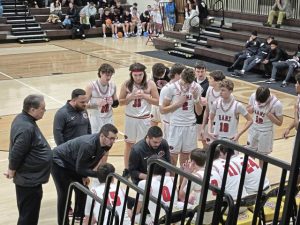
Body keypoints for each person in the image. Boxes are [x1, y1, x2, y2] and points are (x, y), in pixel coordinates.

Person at [51, 123, 118, 225]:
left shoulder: (107, 144)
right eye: (111, 138)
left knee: (83, 190)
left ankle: (79, 215)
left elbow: (94, 160)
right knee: (64, 194)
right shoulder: (89, 145)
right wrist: (99, 175)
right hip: (58, 162)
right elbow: (80, 169)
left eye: (115, 138)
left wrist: (85, 175)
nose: (113, 141)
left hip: (73, 163)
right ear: (102, 136)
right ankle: (63, 222)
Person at [4, 94, 52, 225]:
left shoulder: (24, 120)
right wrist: (12, 169)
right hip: (28, 181)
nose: (44, 111)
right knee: (28, 217)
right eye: (43, 108)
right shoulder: (26, 127)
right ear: (32, 109)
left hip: (31, 179)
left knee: (28, 214)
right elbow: (17, 152)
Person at [119, 63, 159, 178]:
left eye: (140, 75)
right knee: (129, 144)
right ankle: (127, 169)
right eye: (135, 75)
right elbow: (120, 102)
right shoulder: (126, 84)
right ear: (131, 74)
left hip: (144, 119)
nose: (137, 77)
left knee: (145, 145)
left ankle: (143, 169)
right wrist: (131, 97)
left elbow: (157, 101)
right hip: (130, 118)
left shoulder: (150, 84)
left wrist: (145, 96)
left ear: (144, 73)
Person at [161, 68, 203, 168]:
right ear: (181, 77)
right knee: (172, 158)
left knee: (185, 160)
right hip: (176, 125)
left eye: (189, 84)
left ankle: (182, 184)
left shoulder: (197, 87)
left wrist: (197, 99)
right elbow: (162, 110)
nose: (187, 86)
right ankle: (171, 182)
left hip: (190, 126)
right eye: (184, 83)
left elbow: (199, 112)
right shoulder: (171, 88)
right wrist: (178, 104)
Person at [132, 155, 176, 224]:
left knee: (132, 214)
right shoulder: (172, 179)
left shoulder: (144, 183)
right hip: (174, 218)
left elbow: (137, 208)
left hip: (159, 221)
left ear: (148, 168)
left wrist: (132, 212)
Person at [247, 87, 283, 167]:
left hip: (265, 133)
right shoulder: (253, 96)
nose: (259, 103)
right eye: (258, 100)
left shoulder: (276, 104)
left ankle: (261, 176)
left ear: (267, 97)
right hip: (253, 129)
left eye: (261, 101)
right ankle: (249, 173)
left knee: (262, 157)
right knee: (250, 153)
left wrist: (270, 115)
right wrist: (251, 108)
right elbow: (248, 110)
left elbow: (280, 123)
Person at [85, 63, 118, 135]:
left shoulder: (113, 85)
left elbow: (116, 104)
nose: (109, 78)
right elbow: (83, 105)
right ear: (101, 73)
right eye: (107, 75)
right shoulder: (91, 86)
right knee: (95, 142)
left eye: (110, 75)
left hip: (109, 118)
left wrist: (112, 103)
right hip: (95, 119)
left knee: (109, 141)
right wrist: (96, 104)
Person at [159, 63, 186, 140]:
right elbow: (162, 110)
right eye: (183, 74)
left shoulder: (184, 87)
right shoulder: (166, 89)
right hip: (169, 125)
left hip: (181, 124)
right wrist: (178, 104)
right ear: (177, 74)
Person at [200, 70, 226, 146]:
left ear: (217, 81)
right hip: (210, 123)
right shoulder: (209, 89)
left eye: (211, 78)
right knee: (206, 146)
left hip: (220, 126)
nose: (208, 80)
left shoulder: (224, 94)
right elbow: (206, 110)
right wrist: (203, 127)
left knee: (219, 150)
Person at [194, 62, 209, 147]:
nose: (200, 74)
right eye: (198, 71)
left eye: (202, 71)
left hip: (203, 118)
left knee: (205, 141)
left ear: (205, 71)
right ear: (195, 71)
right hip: (192, 117)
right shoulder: (192, 82)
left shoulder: (209, 84)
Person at [283, 73, 300, 138]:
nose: (295, 85)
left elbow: (298, 127)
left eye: (297, 83)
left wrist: (295, 110)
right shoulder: (299, 96)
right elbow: (298, 118)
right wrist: (289, 128)